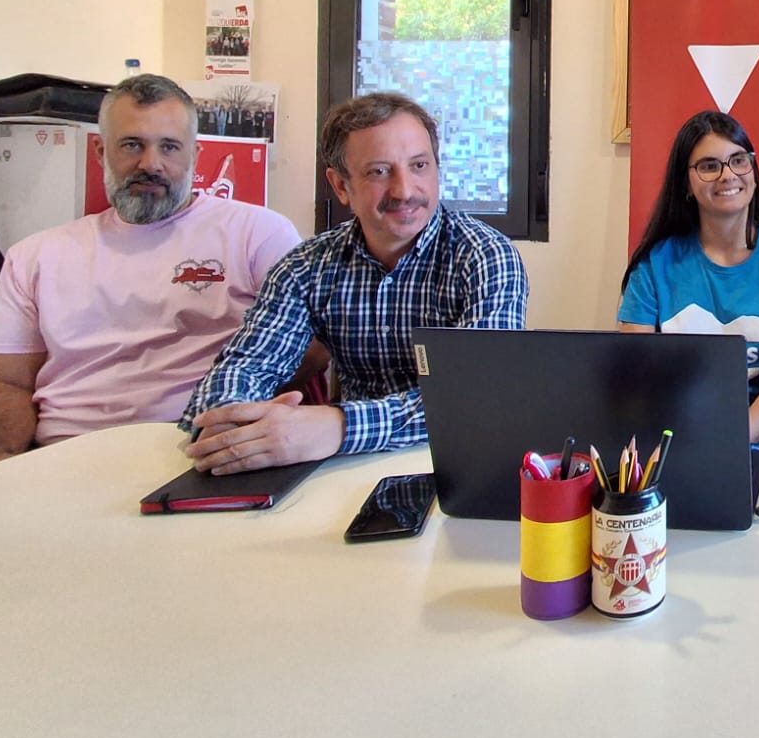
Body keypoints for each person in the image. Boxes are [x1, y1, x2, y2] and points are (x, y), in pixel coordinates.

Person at [181, 92, 527, 473]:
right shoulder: (306, 267)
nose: (405, 190)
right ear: (341, 186)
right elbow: (246, 365)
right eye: (379, 171)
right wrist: (230, 424)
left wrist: (339, 425)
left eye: (419, 166)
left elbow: (478, 397)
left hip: (457, 462)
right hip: (346, 467)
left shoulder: (485, 256)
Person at [0, 75, 300, 463]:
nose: (151, 164)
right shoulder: (35, 256)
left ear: (195, 154)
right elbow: (4, 382)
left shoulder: (257, 234)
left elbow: (306, 352)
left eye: (169, 147)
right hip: (62, 456)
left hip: (198, 453)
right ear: (100, 152)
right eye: (132, 145)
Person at [618, 110, 759, 445]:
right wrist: (682, 442)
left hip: (758, 430)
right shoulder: (655, 262)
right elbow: (638, 376)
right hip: (673, 429)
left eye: (739, 160)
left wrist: (727, 443)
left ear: (753, 172)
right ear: (685, 183)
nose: (728, 175)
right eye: (709, 166)